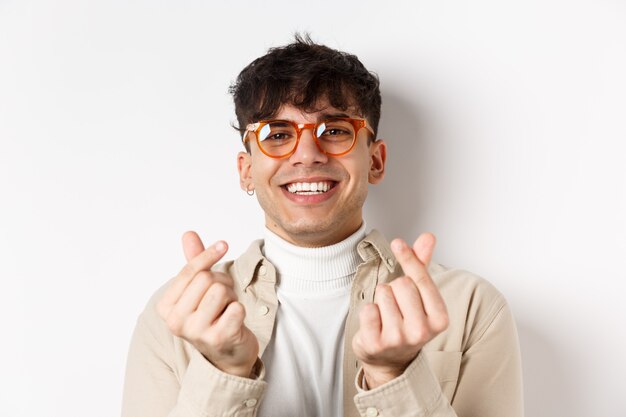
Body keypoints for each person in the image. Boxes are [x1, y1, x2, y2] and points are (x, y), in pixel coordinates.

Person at [121, 35, 524, 417]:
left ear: (376, 161)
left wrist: (394, 375)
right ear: (246, 171)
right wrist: (224, 371)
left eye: (334, 131)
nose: (308, 154)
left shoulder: (471, 308)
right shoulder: (177, 317)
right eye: (277, 134)